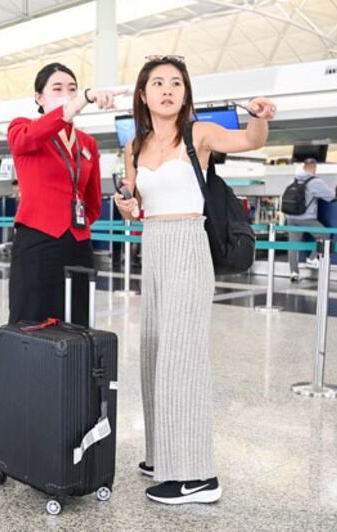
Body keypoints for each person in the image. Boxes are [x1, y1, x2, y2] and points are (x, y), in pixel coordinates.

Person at [113, 55, 276, 505]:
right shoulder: (133, 146)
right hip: (155, 245)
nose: (167, 89)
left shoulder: (198, 134)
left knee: (181, 357)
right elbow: (133, 203)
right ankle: (163, 453)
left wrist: (257, 118)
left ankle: (197, 475)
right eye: (158, 83)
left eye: (176, 83)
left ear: (186, 93)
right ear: (143, 94)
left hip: (188, 243)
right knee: (155, 349)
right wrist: (126, 205)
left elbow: (248, 139)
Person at [6, 62, 122, 325]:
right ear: (39, 97)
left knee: (77, 318)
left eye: (72, 89)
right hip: (37, 240)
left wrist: (79, 225)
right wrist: (80, 101)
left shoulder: (87, 143)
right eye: (57, 89)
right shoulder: (23, 128)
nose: (66, 94)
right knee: (32, 320)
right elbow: (28, 138)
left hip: (78, 242)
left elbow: (92, 201)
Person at [285, 158, 335, 282]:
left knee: (293, 245)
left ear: (304, 166)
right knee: (325, 234)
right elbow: (331, 196)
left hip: (291, 217)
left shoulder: (293, 180)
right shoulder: (315, 181)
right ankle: (312, 258)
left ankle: (294, 273)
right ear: (314, 167)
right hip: (306, 218)